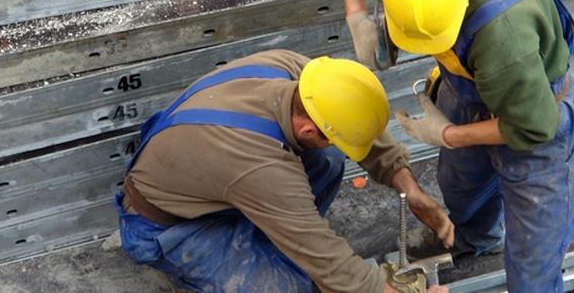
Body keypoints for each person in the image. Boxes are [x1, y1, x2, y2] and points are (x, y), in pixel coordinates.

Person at [335, 0, 574, 292]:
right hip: (466, 85)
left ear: (463, 0)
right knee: (461, 190)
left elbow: (533, 128)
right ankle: (478, 241)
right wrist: (356, 15)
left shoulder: (507, 39)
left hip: (536, 113)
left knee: (533, 266)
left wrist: (448, 134)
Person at [115, 49, 451, 292]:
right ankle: (200, 264)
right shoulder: (260, 167)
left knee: (329, 159)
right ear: (308, 131)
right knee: (295, 286)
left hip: (213, 179)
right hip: (169, 226)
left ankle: (272, 230)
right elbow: (325, 259)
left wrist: (410, 188)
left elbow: (355, 119)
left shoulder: (295, 71)